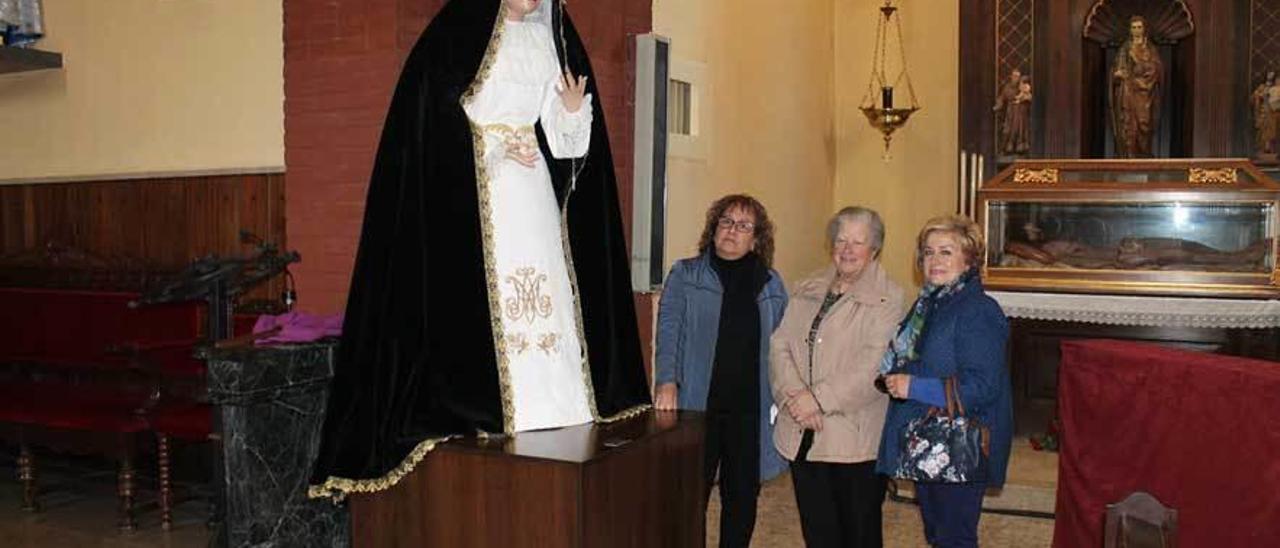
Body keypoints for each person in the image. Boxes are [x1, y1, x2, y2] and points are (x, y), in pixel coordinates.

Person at [309, 0, 651, 499]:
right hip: (482, 195)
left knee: (547, 289)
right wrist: (491, 150)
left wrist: (571, 114)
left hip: (533, 187)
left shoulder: (546, 40)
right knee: (491, 296)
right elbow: (436, 129)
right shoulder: (452, 40)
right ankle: (495, 404)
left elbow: (568, 146)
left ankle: (557, 406)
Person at [654, 194, 788, 548]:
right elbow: (669, 332)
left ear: (757, 238)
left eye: (744, 226)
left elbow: (782, 344)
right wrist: (666, 381)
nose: (732, 230)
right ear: (713, 229)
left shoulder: (771, 283)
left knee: (742, 496)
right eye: (726, 222)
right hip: (697, 403)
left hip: (750, 408)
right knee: (689, 493)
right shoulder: (685, 274)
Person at [769, 207, 904, 548]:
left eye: (858, 242)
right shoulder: (809, 286)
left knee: (858, 535)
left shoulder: (890, 297)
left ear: (874, 249)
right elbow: (780, 344)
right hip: (802, 430)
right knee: (818, 534)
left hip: (854, 440)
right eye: (841, 239)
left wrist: (817, 399)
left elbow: (873, 364)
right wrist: (796, 397)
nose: (847, 249)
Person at [876, 215, 1013, 548]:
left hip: (961, 441)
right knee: (939, 534)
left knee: (954, 537)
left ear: (968, 258)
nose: (934, 260)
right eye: (928, 252)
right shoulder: (931, 303)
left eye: (946, 252)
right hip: (930, 437)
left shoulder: (977, 308)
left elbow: (982, 385)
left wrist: (914, 386)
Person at [1110, 16, 1162, 158]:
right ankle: (1128, 155)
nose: (1137, 30)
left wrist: (1140, 72)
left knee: (1144, 124)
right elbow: (1117, 70)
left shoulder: (1150, 49)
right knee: (1127, 124)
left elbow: (1157, 70)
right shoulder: (1125, 49)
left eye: (1139, 27)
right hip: (1127, 92)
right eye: (1134, 28)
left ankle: (1143, 155)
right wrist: (1118, 75)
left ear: (1144, 29)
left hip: (1145, 94)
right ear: (1130, 30)